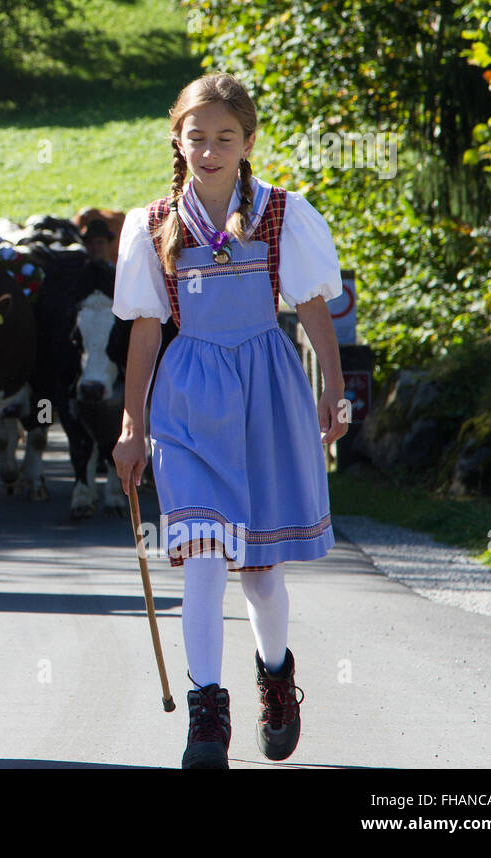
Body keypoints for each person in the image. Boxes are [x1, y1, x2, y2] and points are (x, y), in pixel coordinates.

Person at [111, 73, 346, 769]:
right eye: (197, 137)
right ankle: (206, 715)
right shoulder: (153, 224)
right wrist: (130, 426)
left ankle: (275, 674)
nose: (209, 150)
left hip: (267, 395)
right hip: (188, 403)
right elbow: (147, 333)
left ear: (247, 143)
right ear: (177, 141)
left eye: (225, 138)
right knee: (205, 558)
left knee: (261, 574)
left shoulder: (283, 214)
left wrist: (332, 387)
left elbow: (310, 308)